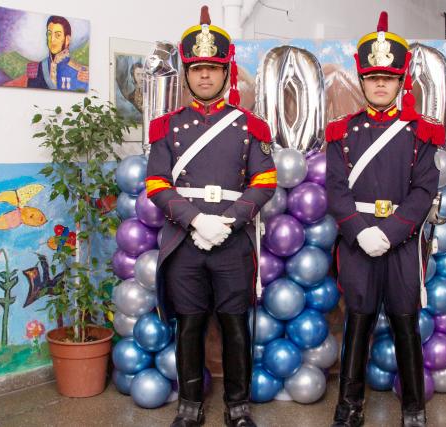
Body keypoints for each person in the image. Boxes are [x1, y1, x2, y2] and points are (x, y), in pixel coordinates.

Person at [145, 6, 276, 427]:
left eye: (213, 68)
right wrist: (195, 220)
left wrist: (227, 222)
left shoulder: (249, 126)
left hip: (232, 241)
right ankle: (190, 406)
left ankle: (238, 408)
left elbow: (265, 181)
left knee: (236, 326)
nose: (205, 76)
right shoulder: (166, 127)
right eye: (197, 68)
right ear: (186, 74)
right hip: (185, 241)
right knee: (190, 325)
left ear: (226, 72)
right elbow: (156, 184)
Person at [325, 11, 445, 427]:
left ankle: (413, 409)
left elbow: (423, 190)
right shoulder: (341, 131)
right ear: (362, 81)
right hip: (357, 243)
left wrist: (391, 233)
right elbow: (336, 191)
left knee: (404, 324)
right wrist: (360, 233)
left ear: (400, 81)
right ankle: (349, 406)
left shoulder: (422, 132)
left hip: (402, 242)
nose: (380, 83)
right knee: (357, 325)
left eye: (388, 77)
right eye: (373, 77)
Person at [27, 15, 89, 91]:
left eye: (57, 35)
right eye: (49, 34)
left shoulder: (82, 73)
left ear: (67, 40)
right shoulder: (37, 69)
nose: (52, 40)